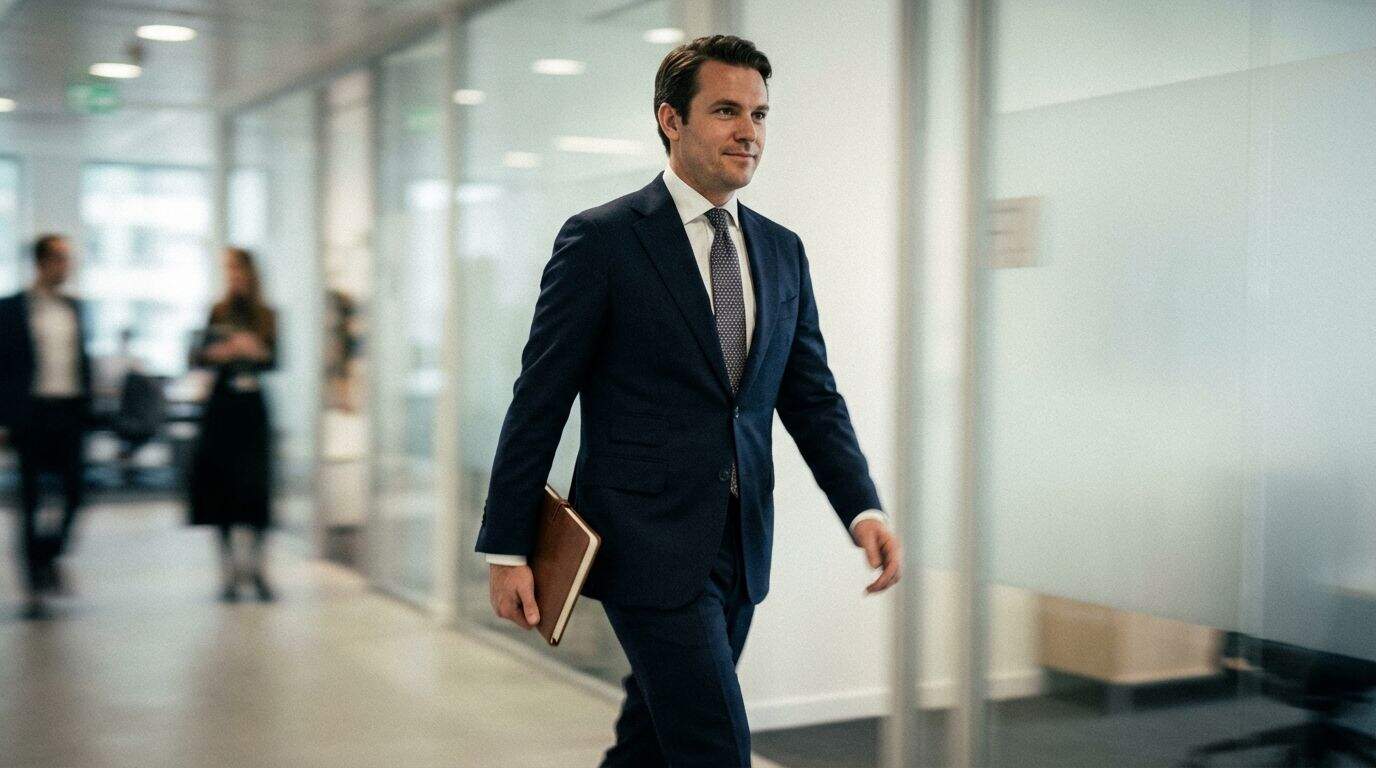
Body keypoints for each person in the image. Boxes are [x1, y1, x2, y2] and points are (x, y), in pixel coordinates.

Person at [476, 35, 903, 767]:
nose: (750, 132)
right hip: (643, 541)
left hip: (741, 543)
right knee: (715, 747)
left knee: (651, 737)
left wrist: (861, 506)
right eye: (727, 110)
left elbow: (811, 397)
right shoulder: (603, 240)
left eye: (761, 115)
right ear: (671, 120)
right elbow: (539, 399)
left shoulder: (779, 249)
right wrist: (507, 546)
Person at [0, 234, 93, 620]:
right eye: (60, 259)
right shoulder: (10, 309)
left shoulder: (75, 307)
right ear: (41, 263)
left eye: (69, 259)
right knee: (32, 500)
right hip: (31, 414)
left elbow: (82, 360)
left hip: (69, 412)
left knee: (76, 493)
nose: (66, 266)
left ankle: (48, 555)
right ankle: (34, 588)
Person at [187, 247, 278, 603]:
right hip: (222, 408)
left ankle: (255, 567)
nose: (234, 278)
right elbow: (196, 355)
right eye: (229, 272)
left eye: (239, 271)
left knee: (256, 487)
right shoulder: (217, 312)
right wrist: (218, 354)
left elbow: (274, 359)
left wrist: (256, 351)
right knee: (221, 488)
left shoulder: (266, 316)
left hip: (252, 408)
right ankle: (228, 570)